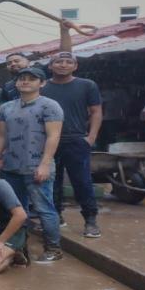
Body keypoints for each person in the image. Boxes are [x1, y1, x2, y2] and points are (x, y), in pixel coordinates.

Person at [0, 67, 64, 263]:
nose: (25, 82)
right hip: (10, 166)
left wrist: (45, 164)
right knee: (15, 209)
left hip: (37, 166)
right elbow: (1, 135)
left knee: (44, 208)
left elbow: (53, 136)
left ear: (42, 83)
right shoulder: (7, 107)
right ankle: (19, 247)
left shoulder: (50, 106)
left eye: (31, 79)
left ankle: (53, 248)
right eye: (22, 78)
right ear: (16, 83)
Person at [41, 49, 103, 237]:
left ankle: (90, 220)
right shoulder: (42, 87)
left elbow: (96, 112)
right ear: (50, 66)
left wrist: (91, 137)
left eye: (69, 62)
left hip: (76, 140)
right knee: (51, 181)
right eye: (59, 62)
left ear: (75, 66)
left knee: (82, 181)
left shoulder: (87, 85)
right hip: (47, 141)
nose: (63, 65)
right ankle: (56, 216)